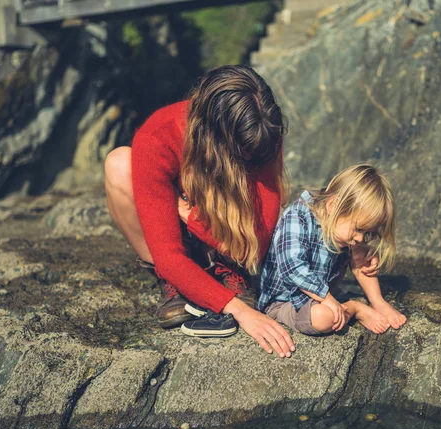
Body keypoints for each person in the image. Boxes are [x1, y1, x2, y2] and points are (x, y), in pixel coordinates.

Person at [104, 65, 295, 358]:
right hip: (180, 236)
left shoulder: (261, 129)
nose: (252, 158)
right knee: (119, 163)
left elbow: (256, 244)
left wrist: (186, 213)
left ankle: (227, 272)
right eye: (243, 152)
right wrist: (241, 311)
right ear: (213, 134)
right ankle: (173, 284)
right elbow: (168, 256)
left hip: (228, 241)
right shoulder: (159, 135)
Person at [257, 164, 407, 336]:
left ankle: (377, 302)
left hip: (320, 296)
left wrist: (365, 252)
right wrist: (327, 298)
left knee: (359, 251)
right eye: (359, 229)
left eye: (368, 233)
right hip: (284, 301)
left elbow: (360, 253)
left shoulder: (341, 224)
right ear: (333, 206)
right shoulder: (298, 216)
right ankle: (353, 308)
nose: (360, 237)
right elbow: (293, 267)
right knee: (324, 318)